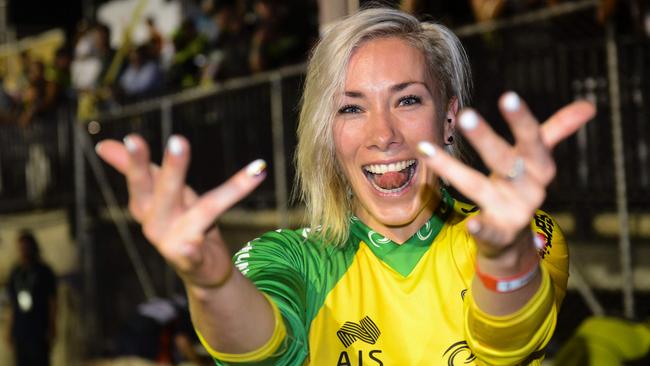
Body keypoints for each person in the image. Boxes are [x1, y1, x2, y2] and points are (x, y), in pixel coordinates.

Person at [95, 7, 595, 365]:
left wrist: (506, 254)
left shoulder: (525, 233)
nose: (383, 135)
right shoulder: (288, 258)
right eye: (351, 108)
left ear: (449, 119)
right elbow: (257, 353)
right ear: (326, 135)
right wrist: (211, 281)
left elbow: (508, 345)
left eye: (408, 100)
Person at [4, 230, 57, 366]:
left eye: (26, 247)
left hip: (38, 329)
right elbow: (11, 305)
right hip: (20, 331)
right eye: (21, 248)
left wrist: (52, 326)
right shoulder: (15, 273)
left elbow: (52, 301)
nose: (24, 251)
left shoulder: (44, 271)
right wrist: (8, 330)